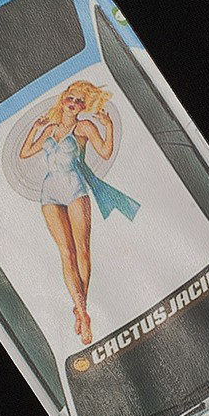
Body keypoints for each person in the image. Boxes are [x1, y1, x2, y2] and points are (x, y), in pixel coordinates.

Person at [19, 80, 139, 344]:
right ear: (64, 98)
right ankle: (83, 314)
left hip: (75, 191)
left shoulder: (84, 127)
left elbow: (105, 152)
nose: (74, 104)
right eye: (71, 98)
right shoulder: (49, 129)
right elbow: (25, 153)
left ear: (85, 106)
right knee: (67, 253)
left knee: (82, 250)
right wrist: (35, 129)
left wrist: (108, 126)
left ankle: (80, 310)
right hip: (49, 194)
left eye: (79, 101)